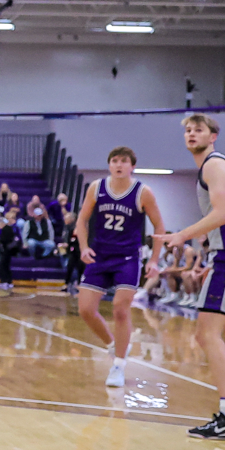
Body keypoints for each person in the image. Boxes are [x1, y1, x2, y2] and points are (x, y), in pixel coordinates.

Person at [155, 114, 225, 439]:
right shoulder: (215, 166)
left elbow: (222, 214)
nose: (191, 134)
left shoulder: (213, 165)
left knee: (207, 335)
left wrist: (182, 236)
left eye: (198, 129)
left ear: (213, 135)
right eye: (188, 131)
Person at [74, 147, 166, 387]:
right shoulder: (96, 187)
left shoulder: (143, 192)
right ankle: (112, 344)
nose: (118, 165)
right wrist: (84, 246)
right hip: (100, 255)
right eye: (114, 161)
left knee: (120, 308)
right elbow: (82, 219)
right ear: (109, 165)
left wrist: (154, 260)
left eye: (124, 161)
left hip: (127, 258)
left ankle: (118, 365)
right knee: (85, 309)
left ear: (132, 166)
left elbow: (159, 227)